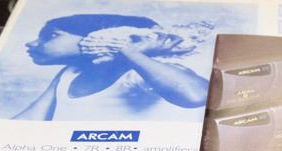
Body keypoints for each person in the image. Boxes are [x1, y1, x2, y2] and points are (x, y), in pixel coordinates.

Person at [15, 13, 210, 120]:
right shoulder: (69, 74)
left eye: (51, 35)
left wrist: (128, 50)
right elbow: (29, 120)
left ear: (100, 36)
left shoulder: (138, 74)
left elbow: (196, 95)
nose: (31, 43)